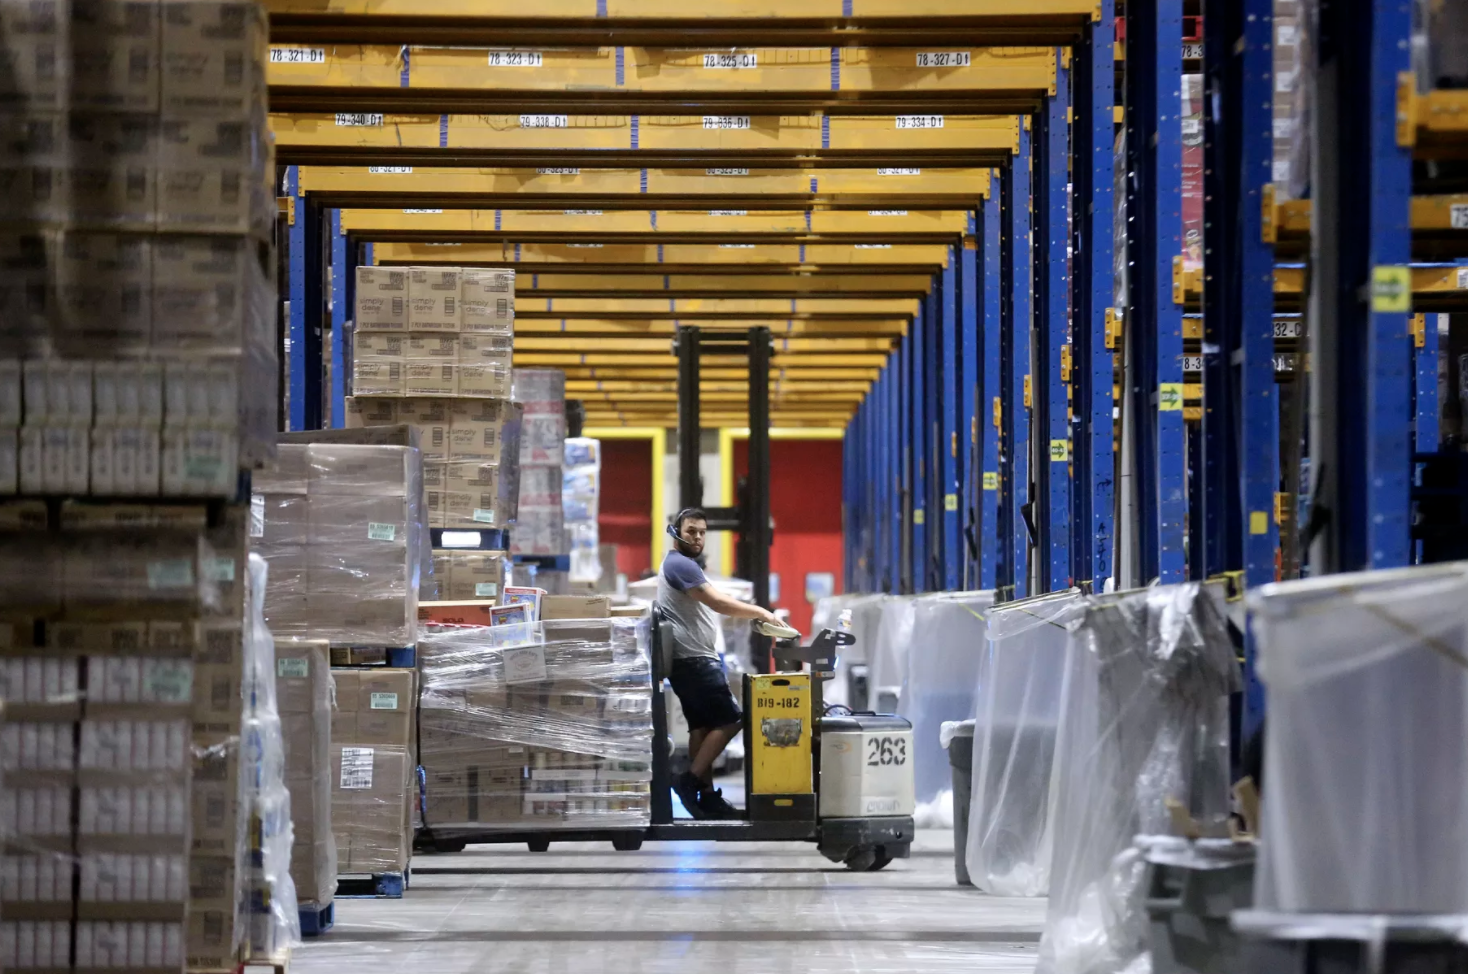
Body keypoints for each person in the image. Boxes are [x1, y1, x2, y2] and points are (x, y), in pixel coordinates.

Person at [656, 507, 781, 820]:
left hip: (689, 659)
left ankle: (707, 796)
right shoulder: (679, 564)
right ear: (675, 532)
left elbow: (712, 598)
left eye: (701, 532)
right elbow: (718, 602)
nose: (697, 537)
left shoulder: (683, 566)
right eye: (691, 531)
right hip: (695, 659)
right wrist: (761, 612)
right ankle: (689, 780)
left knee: (702, 727)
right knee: (732, 719)